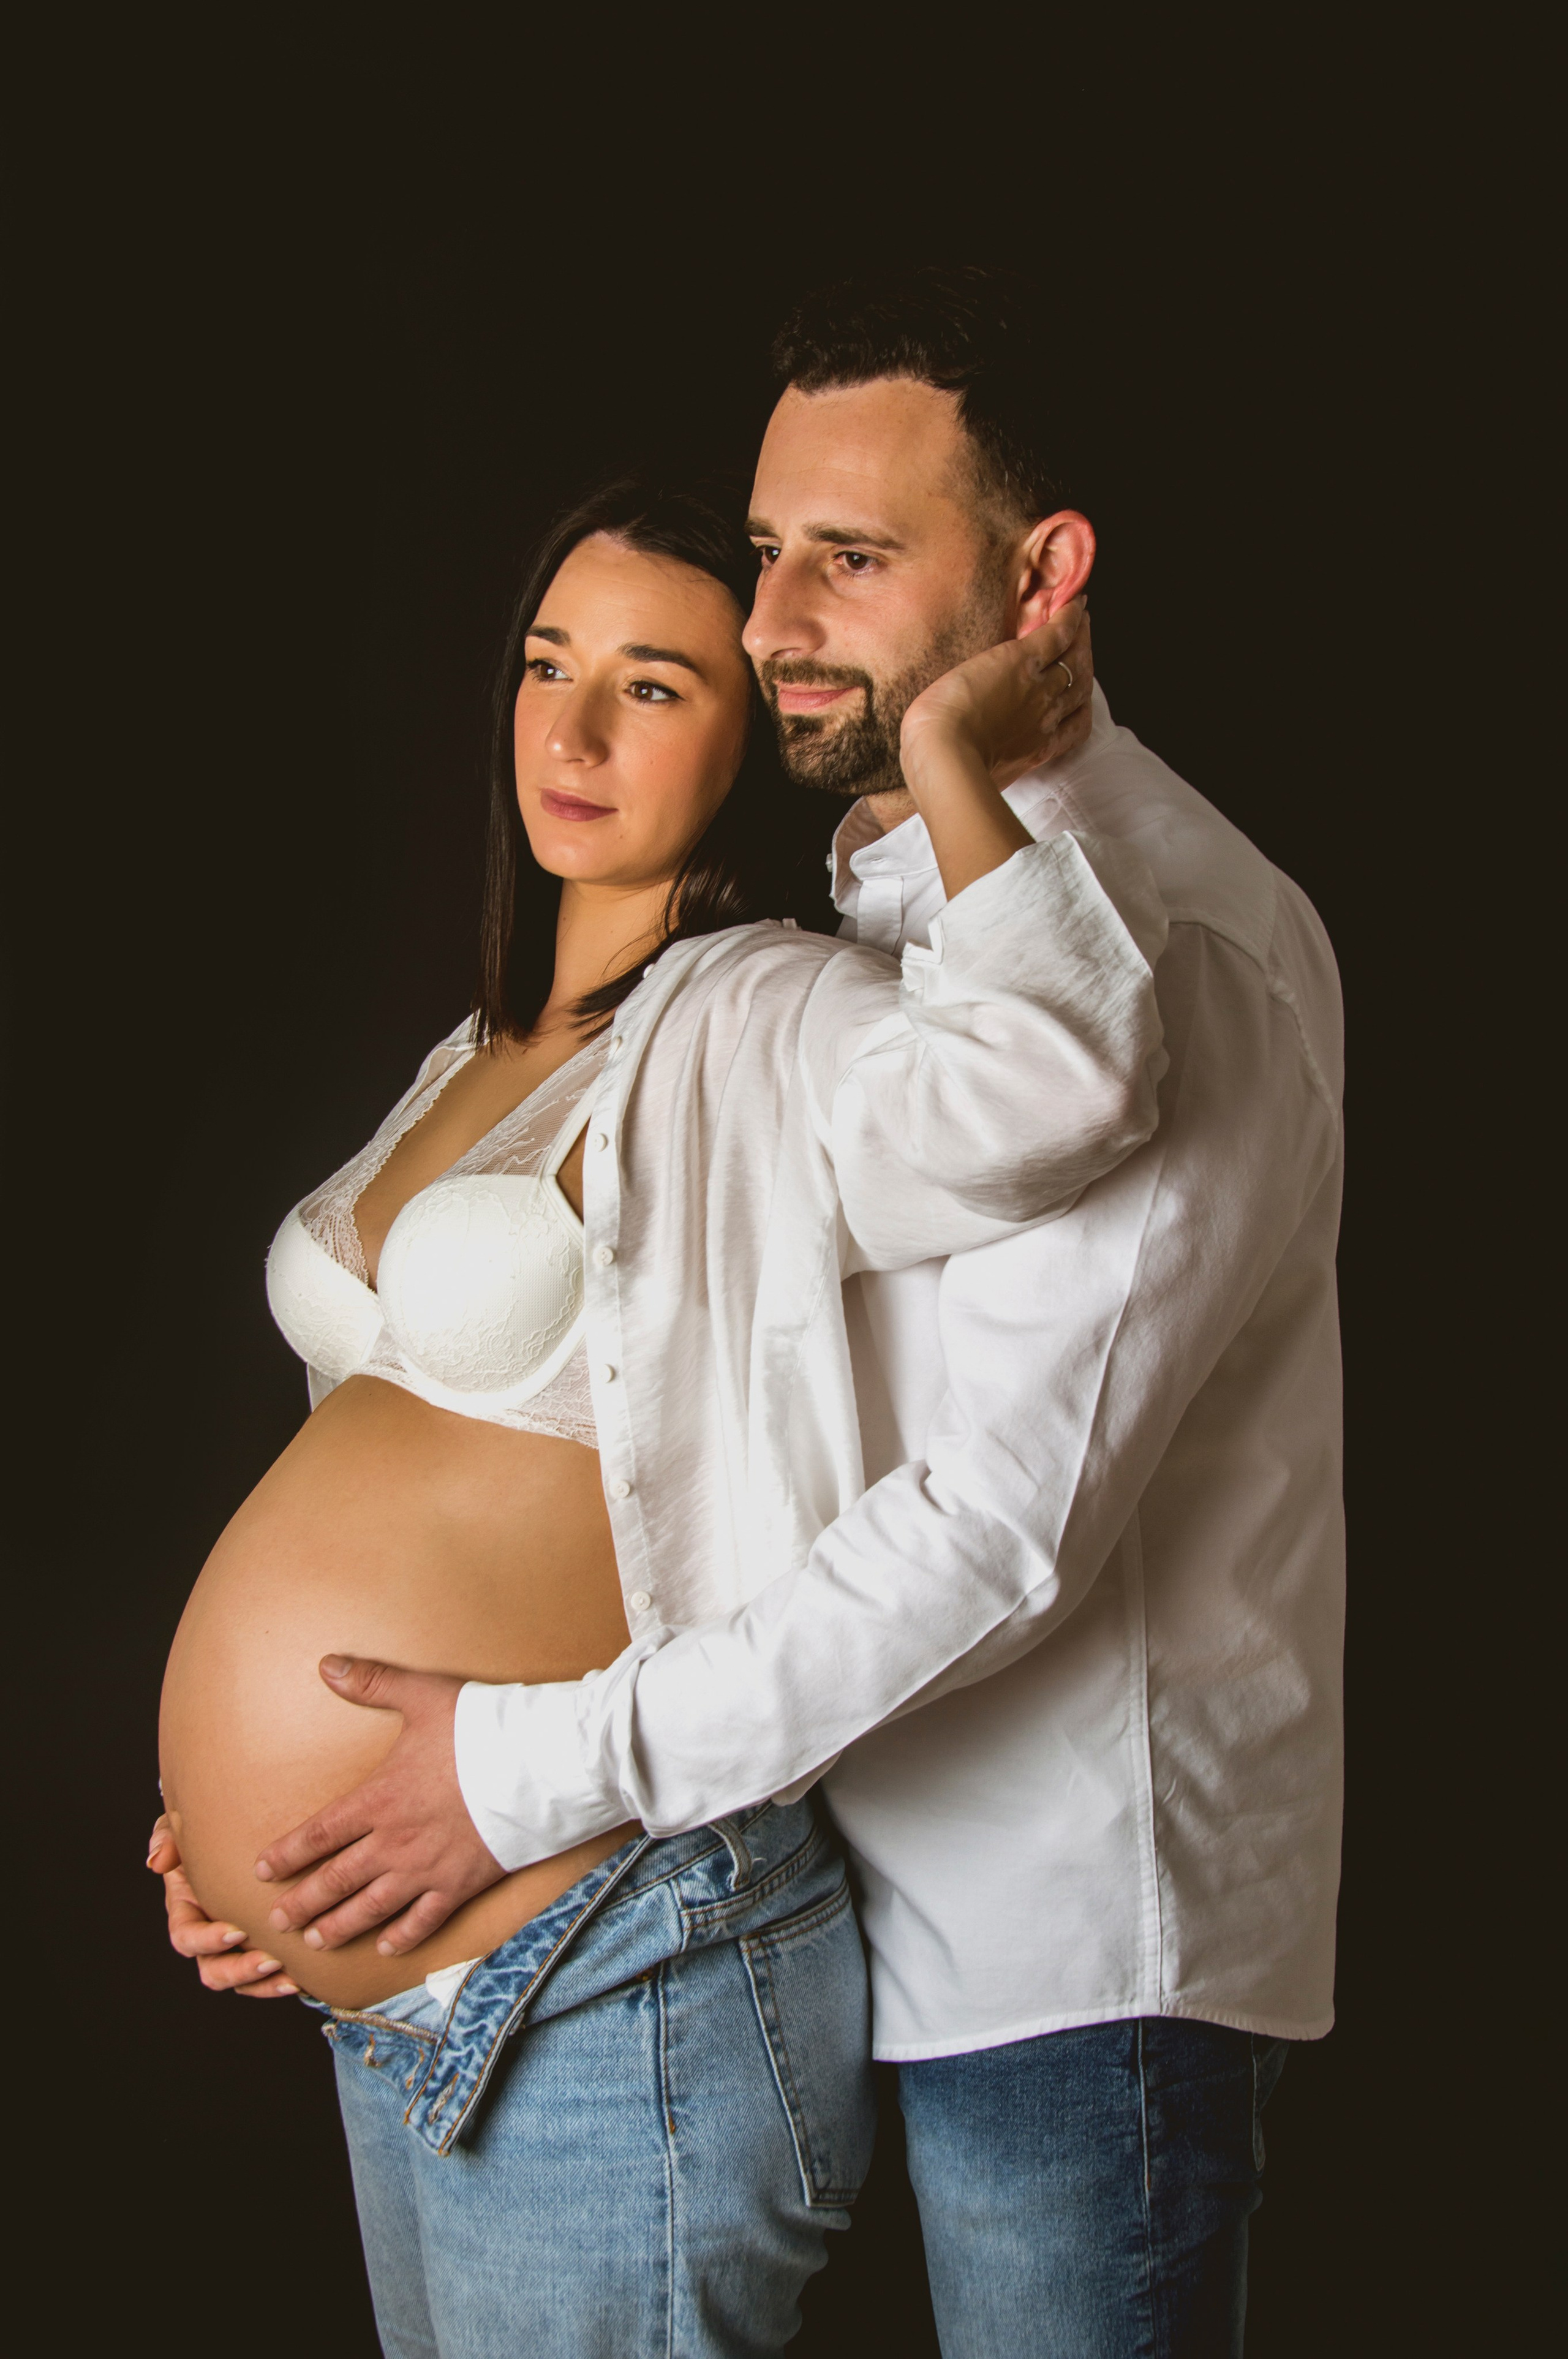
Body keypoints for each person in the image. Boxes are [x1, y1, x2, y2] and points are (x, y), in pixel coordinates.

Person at [150, 469, 1166, 2357]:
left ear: (747, 734)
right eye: (549, 666)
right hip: (400, 1989)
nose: (576, 726)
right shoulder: (470, 1059)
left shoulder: (761, 1016)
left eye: (654, 684)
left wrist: (948, 747)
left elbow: (1073, 1080)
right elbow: (388, 1470)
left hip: (612, 1960)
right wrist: (239, 1836)